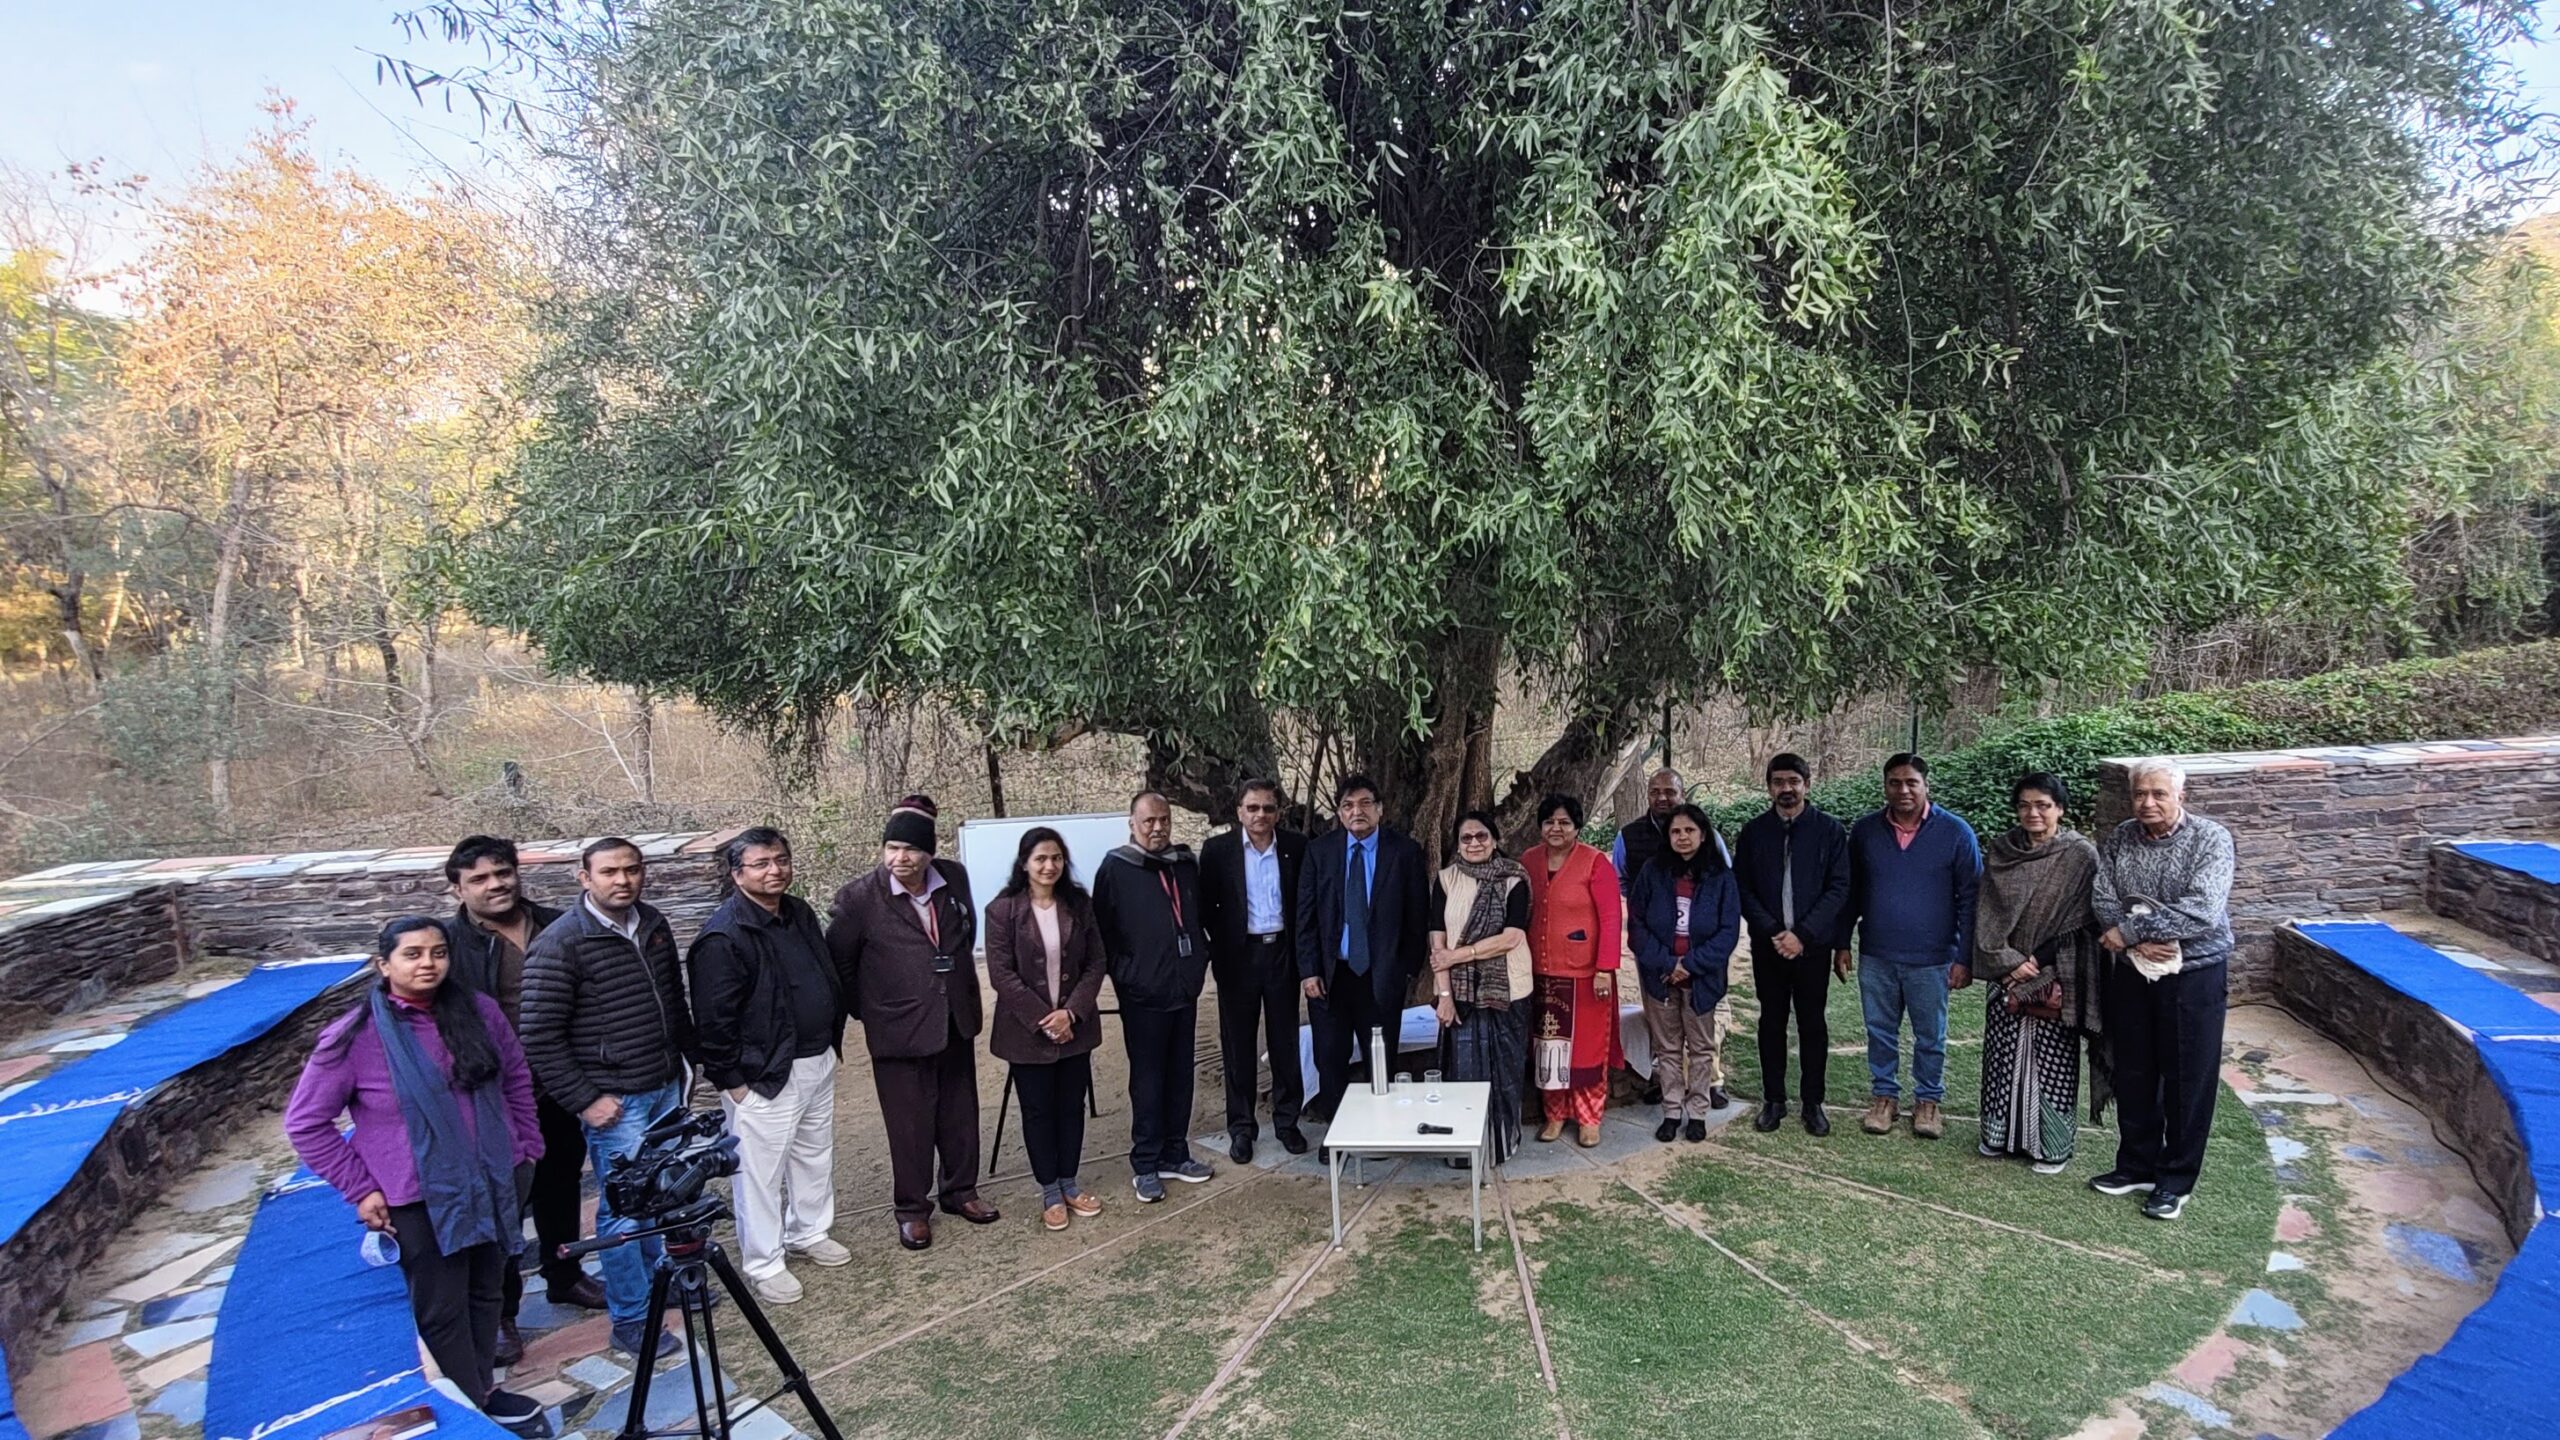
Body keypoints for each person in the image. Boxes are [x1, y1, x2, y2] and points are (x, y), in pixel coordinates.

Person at [286, 918, 544, 1428]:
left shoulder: (478, 1011)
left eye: (438, 952)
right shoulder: (353, 1037)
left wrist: (527, 1148)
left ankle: (483, 1393)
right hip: (418, 1195)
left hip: (495, 1176)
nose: (428, 963)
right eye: (412, 954)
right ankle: (466, 1409)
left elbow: (515, 1078)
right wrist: (360, 1188)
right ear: (384, 965)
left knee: (487, 1288)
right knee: (442, 1306)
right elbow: (305, 1123)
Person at [518, 837, 694, 1360]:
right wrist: (586, 1098)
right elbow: (538, 1034)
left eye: (632, 870)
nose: (623, 880)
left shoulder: (654, 924)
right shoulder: (562, 942)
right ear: (584, 877)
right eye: (610, 872)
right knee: (624, 1213)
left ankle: (663, 1285)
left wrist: (686, 1064)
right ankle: (632, 1318)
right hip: (616, 1101)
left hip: (663, 1086)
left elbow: (672, 1003)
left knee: (662, 1199)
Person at [442, 836, 602, 1364]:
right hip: (494, 1093)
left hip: (560, 1079)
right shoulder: (449, 945)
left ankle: (564, 1275)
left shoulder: (560, 923)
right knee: (503, 1203)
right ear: (458, 888)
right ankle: (501, 1314)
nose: (496, 885)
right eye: (480, 879)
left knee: (560, 1184)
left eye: (502, 872)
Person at [685, 827, 848, 1306]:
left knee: (814, 1153)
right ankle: (764, 1260)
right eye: (761, 864)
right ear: (737, 874)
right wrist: (732, 1083)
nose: (774, 870)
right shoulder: (723, 936)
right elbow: (713, 1021)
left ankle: (809, 1231)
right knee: (759, 1172)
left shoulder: (797, 913)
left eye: (780, 860)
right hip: (763, 1074)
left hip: (816, 1057)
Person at [825, 800, 997, 1249]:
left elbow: (965, 931)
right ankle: (912, 1208)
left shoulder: (953, 878)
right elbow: (840, 963)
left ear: (930, 852)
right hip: (897, 1029)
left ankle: (961, 1192)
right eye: (891, 848)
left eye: (910, 850)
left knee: (960, 1114)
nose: (899, 858)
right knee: (909, 1124)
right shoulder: (858, 898)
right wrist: (870, 1008)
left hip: (955, 1017)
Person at [2087, 758, 2236, 1222]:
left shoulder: (2211, 839)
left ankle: (2175, 1180)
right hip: (2133, 974)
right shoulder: (2120, 838)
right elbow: (2103, 897)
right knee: (2134, 1070)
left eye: (2158, 794)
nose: (2147, 803)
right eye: (2139, 795)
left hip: (2193, 974)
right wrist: (2140, 937)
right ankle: (2136, 1165)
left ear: (2179, 797)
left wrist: (2131, 933)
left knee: (2187, 1077)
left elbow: (2202, 909)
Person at [1957, 774, 2104, 1176]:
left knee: (2052, 1059)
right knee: (2002, 1057)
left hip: (2055, 973)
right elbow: (1986, 914)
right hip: (2004, 972)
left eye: (2043, 805)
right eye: (2024, 805)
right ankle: (1998, 1135)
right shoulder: (2002, 852)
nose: (2033, 813)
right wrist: (2007, 963)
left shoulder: (2079, 857)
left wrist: (2034, 963)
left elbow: (2082, 919)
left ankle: (2051, 1146)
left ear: (2060, 808)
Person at [1838, 755, 1981, 1141]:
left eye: (1911, 783)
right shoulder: (1866, 831)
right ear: (1885, 785)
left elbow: (1970, 899)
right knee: (1880, 1030)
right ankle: (1884, 1097)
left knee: (1930, 1035)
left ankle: (1928, 1102)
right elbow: (1851, 892)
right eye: (1895, 783)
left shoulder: (1955, 833)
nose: (1903, 790)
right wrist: (1841, 942)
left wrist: (1963, 958)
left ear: (1926, 786)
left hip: (1933, 958)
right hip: (1877, 953)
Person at [985, 827, 1110, 1228]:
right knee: (1038, 1111)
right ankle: (1050, 1191)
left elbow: (1096, 963)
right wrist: (1046, 1019)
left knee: (1070, 1107)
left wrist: (1071, 1013)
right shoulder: (1002, 911)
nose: (1049, 865)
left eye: (1056, 857)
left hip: (1075, 1029)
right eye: (1040, 858)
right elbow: (1001, 975)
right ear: (1024, 863)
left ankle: (1070, 1183)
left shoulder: (1079, 905)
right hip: (1026, 1032)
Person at [1093, 792, 1214, 1202]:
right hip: (1142, 994)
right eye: (1149, 821)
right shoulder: (1115, 868)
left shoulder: (1184, 865)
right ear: (1132, 823)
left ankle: (1175, 1153)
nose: (1158, 827)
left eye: (1164, 820)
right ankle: (1145, 1163)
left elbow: (1199, 918)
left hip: (1184, 987)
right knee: (1148, 1079)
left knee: (1181, 1074)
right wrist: (1126, 975)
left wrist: (1199, 959)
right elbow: (1102, 932)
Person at [1295, 773, 1430, 1123]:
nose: (1358, 811)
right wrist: (1309, 970)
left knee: (1381, 1059)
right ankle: (1337, 1133)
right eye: (1348, 805)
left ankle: (1381, 1127)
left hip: (1381, 975)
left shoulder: (1404, 852)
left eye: (1366, 803)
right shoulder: (1319, 852)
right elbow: (1306, 917)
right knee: (1330, 1058)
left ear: (1380, 809)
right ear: (1339, 813)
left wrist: (1407, 969)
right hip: (1331, 977)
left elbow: (1418, 915)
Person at [1732, 755, 1852, 1135]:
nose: (1786, 788)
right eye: (1778, 781)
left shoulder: (1829, 831)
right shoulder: (1753, 833)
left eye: (1793, 781)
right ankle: (1774, 1100)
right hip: (1769, 947)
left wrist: (1802, 934)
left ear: (1807, 784)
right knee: (1771, 1021)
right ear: (1768, 787)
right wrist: (1773, 932)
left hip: (1812, 948)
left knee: (1812, 1023)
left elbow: (1839, 888)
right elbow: (1743, 889)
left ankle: (1813, 1102)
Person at [1199, 779, 1309, 1163]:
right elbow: (1204, 907)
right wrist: (1221, 948)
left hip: (1282, 953)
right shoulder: (1217, 851)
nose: (1260, 815)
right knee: (1238, 1046)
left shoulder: (1296, 847)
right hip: (1238, 957)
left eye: (1267, 808)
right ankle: (1242, 1128)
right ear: (1238, 811)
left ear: (1278, 812)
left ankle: (1287, 1121)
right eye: (1252, 808)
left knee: (1285, 1043)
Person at [1630, 803, 1740, 1143]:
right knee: (1667, 1048)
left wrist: (1689, 965)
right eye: (1676, 831)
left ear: (1703, 835)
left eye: (1689, 831)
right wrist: (1667, 964)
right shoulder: (1652, 872)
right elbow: (1637, 925)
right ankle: (1672, 1110)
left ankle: (1698, 1112)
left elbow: (1728, 931)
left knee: (1702, 1048)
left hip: (1701, 978)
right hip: (1661, 976)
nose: (1682, 837)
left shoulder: (1720, 876)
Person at [1427, 810, 1532, 1164]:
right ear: (1457, 844)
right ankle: (1463, 1146)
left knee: (1504, 1068)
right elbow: (1436, 944)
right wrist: (1444, 995)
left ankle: (1499, 1143)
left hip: (1509, 990)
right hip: (1460, 994)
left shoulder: (1514, 879)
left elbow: (1512, 938)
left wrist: (1459, 955)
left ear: (1495, 839)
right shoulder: (1445, 880)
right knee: (1463, 1070)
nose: (1474, 843)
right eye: (1466, 838)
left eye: (1481, 836)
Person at [1525, 794, 1624, 1147]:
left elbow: (1612, 919)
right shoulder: (1529, 861)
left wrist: (1604, 968)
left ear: (1577, 827)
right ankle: (1554, 1116)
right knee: (1548, 1047)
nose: (1556, 828)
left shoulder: (1596, 863)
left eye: (1565, 822)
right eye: (1549, 821)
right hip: (1542, 973)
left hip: (1586, 975)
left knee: (1586, 1050)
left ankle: (1588, 1118)